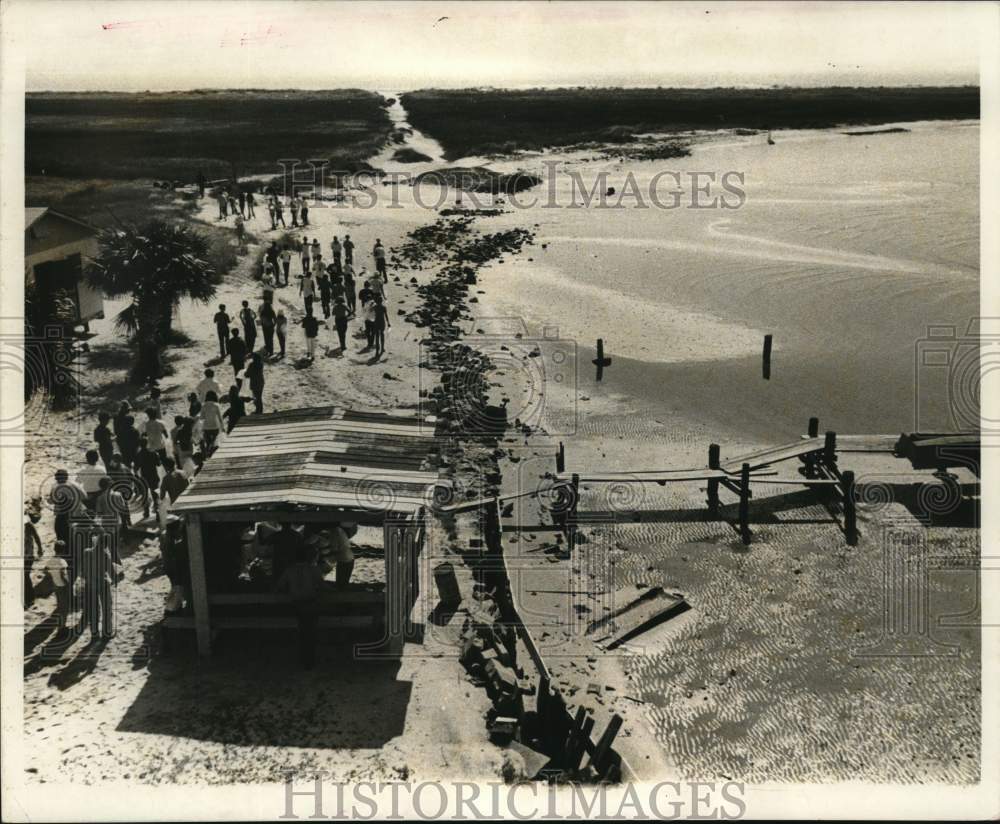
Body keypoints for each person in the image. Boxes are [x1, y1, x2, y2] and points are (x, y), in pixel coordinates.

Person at [275, 542, 325, 669]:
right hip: (311, 604)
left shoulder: (289, 570)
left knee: (302, 632)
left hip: (296, 605)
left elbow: (279, 587)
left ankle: (303, 659)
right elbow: (322, 586)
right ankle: (309, 661)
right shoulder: (314, 570)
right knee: (311, 633)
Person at [81, 532, 116, 641]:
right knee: (107, 608)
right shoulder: (105, 555)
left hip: (90, 584)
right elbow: (111, 572)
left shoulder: (86, 552)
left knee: (94, 609)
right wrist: (115, 579)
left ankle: (94, 633)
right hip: (102, 583)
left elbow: (83, 571)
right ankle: (107, 632)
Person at [136, 436, 161, 518]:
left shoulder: (139, 455)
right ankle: (158, 512)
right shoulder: (153, 453)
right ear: (147, 443)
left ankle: (146, 512)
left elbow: (136, 467)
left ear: (140, 445)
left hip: (144, 477)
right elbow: (158, 464)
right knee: (155, 495)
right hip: (153, 475)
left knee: (145, 495)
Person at [24, 507, 43, 608]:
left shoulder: (29, 525)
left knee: (25, 576)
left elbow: (36, 537)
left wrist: (40, 549)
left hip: (27, 556)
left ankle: (30, 598)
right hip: (23, 555)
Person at [330, 522, 356, 590]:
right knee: (345, 582)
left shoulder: (334, 531)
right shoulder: (341, 530)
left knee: (340, 583)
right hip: (350, 557)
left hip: (343, 558)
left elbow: (334, 549)